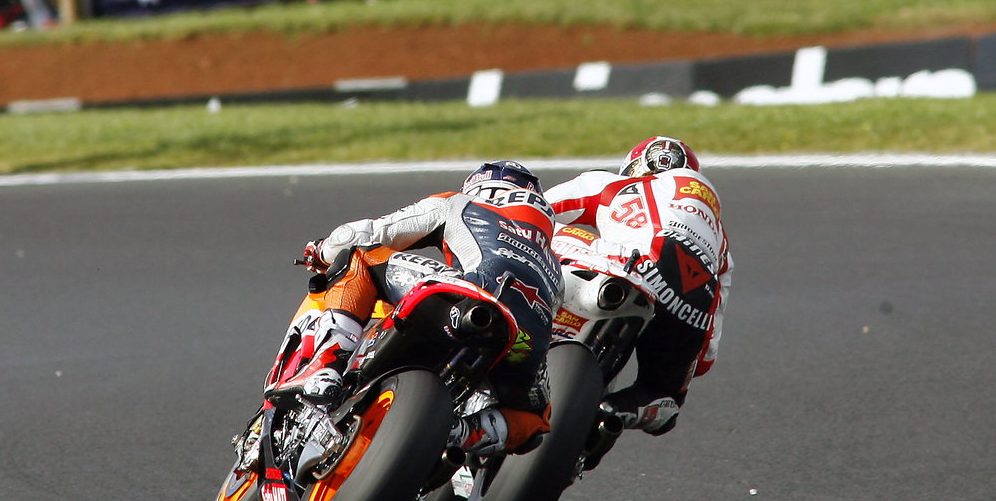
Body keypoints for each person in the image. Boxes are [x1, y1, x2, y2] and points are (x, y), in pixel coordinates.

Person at [277, 160, 561, 458]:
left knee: (358, 255)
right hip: (525, 340)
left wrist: (322, 250)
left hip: (466, 297)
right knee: (535, 420)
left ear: (480, 187)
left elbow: (363, 234)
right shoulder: (553, 264)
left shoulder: (459, 203)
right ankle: (460, 431)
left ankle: (325, 368)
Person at [544, 136, 733, 436]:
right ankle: (618, 412)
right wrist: (691, 357)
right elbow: (709, 346)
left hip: (628, 265)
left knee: (527, 230)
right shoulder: (720, 241)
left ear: (634, 166)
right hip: (694, 304)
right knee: (664, 401)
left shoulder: (609, 183)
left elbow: (536, 209)